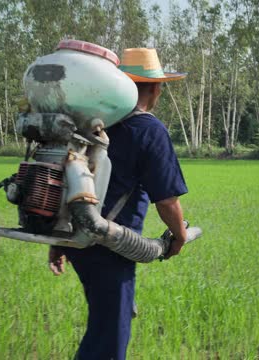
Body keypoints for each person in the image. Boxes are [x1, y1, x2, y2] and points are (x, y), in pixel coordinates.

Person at [47, 48, 189, 360]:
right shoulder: (150, 130)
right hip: (109, 247)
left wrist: (59, 241)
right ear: (155, 88)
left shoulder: (92, 126)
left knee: (105, 324)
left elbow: (69, 180)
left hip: (77, 239)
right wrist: (178, 235)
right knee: (109, 340)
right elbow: (166, 200)